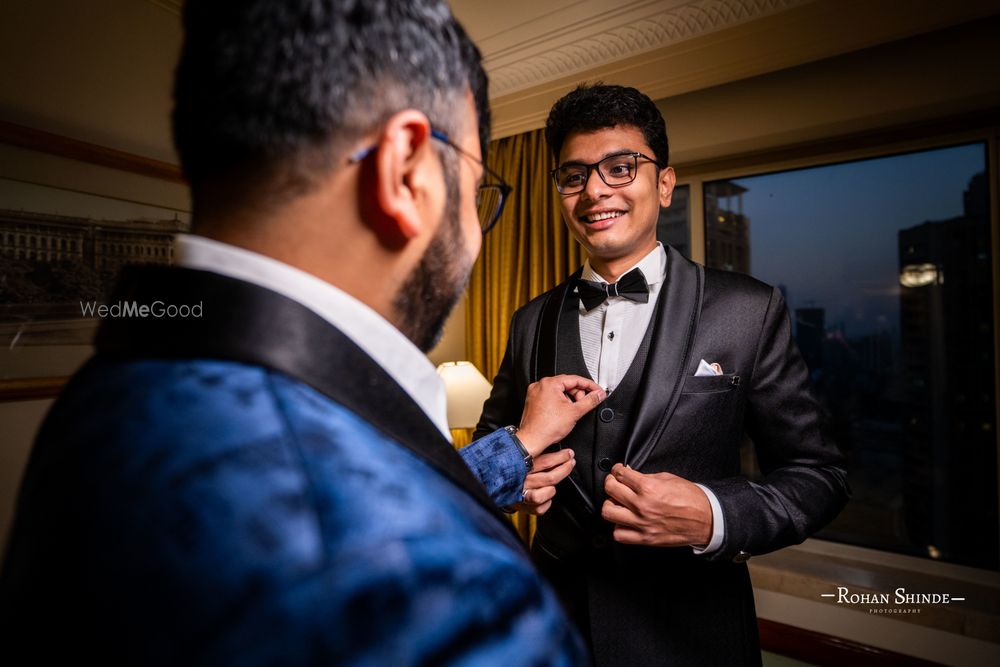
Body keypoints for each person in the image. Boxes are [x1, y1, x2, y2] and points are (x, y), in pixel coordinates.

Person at [0, 2, 603, 664]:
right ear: (406, 171)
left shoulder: (110, 392)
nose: (474, 232)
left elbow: (350, 473)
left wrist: (514, 446)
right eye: (477, 188)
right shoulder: (442, 589)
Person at [474, 83, 851, 666]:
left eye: (620, 168)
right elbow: (489, 442)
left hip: (691, 635)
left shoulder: (747, 309)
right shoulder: (530, 321)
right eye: (573, 176)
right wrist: (517, 479)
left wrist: (713, 515)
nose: (594, 189)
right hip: (552, 631)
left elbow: (819, 474)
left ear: (665, 183)